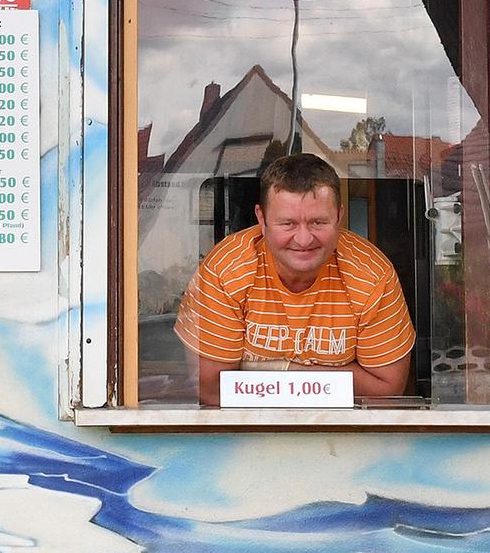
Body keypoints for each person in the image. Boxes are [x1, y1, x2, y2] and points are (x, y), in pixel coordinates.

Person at [175, 153, 415, 405]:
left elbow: (386, 390)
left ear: (339, 216)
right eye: (288, 223)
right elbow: (211, 388)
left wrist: (278, 370)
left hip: (344, 435)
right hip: (243, 432)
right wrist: (331, 379)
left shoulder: (371, 275)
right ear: (262, 218)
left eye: (318, 222)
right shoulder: (225, 270)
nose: (303, 239)